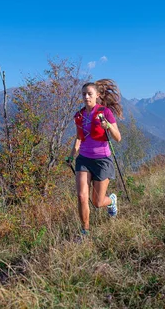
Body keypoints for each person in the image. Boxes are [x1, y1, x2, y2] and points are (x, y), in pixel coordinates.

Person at [66, 79, 123, 237]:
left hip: (102, 160)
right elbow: (79, 138)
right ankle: (85, 231)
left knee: (97, 202)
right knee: (82, 196)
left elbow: (118, 138)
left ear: (97, 95)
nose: (86, 97)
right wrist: (72, 156)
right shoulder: (79, 116)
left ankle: (111, 200)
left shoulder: (105, 113)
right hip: (83, 159)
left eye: (89, 94)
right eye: (84, 94)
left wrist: (109, 126)